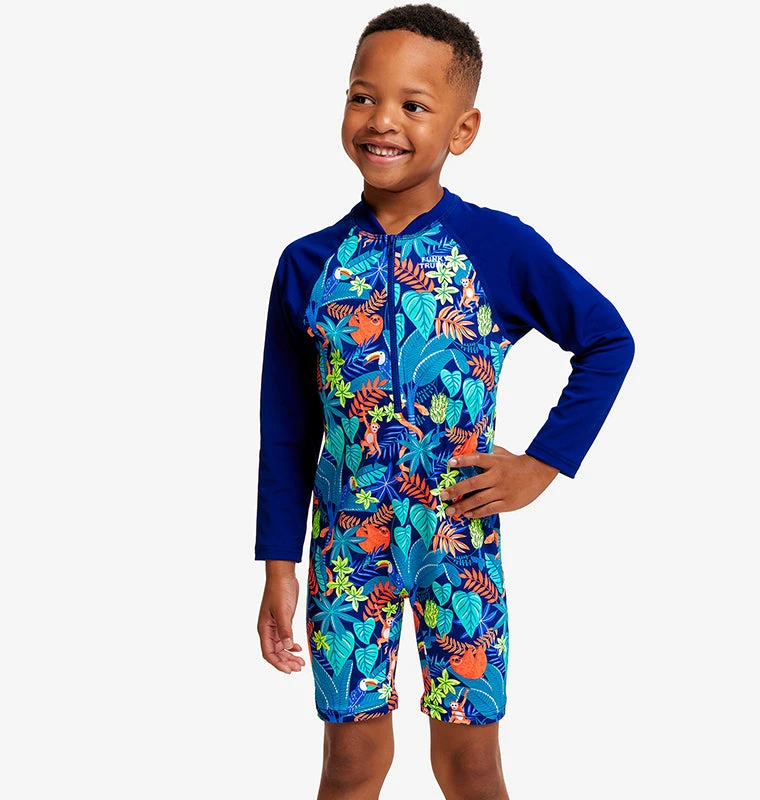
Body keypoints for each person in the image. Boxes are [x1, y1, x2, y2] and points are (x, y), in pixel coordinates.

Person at [255, 4, 635, 798]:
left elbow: (607, 341)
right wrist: (278, 565)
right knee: (350, 764)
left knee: (471, 765)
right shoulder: (308, 265)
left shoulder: (496, 247)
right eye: (363, 97)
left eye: (413, 104)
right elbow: (288, 430)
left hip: (459, 546)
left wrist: (541, 465)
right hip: (346, 554)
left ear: (462, 130)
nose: (381, 120)